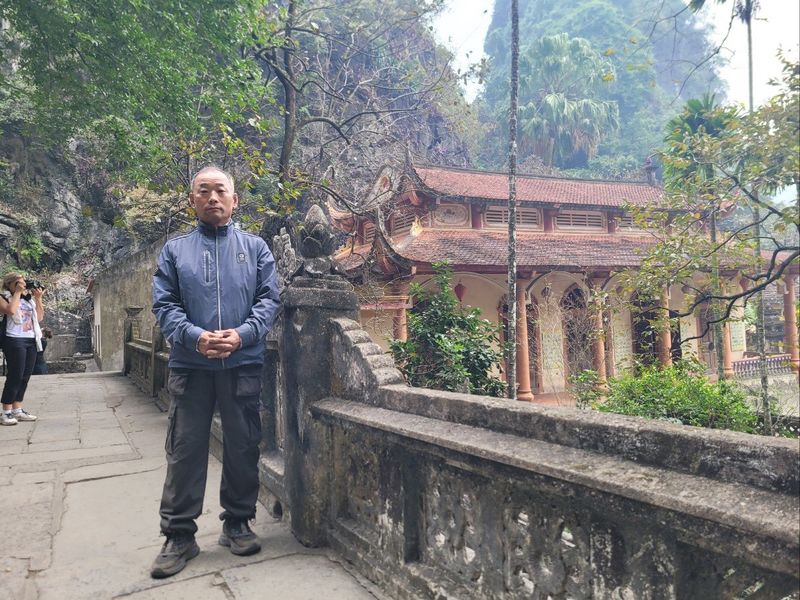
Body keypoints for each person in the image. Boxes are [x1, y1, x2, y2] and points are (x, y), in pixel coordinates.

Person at [150, 166, 281, 579]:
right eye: (203, 191)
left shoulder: (256, 248)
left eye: (220, 191)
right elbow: (164, 304)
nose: (212, 198)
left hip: (242, 364)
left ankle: (238, 522)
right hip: (191, 365)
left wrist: (242, 335)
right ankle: (179, 535)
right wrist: (195, 337)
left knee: (243, 445)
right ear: (192, 200)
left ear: (234, 199)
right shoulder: (175, 251)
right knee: (185, 448)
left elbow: (269, 300)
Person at [0, 273, 44, 426]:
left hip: (31, 339)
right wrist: (17, 293)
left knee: (25, 376)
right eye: (19, 283)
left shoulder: (28, 300)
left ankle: (17, 409)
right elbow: (11, 311)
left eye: (23, 283)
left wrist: (38, 298)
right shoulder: (3, 297)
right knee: (15, 375)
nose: (23, 285)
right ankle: (6, 412)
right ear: (10, 284)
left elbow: (39, 318)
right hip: (14, 339)